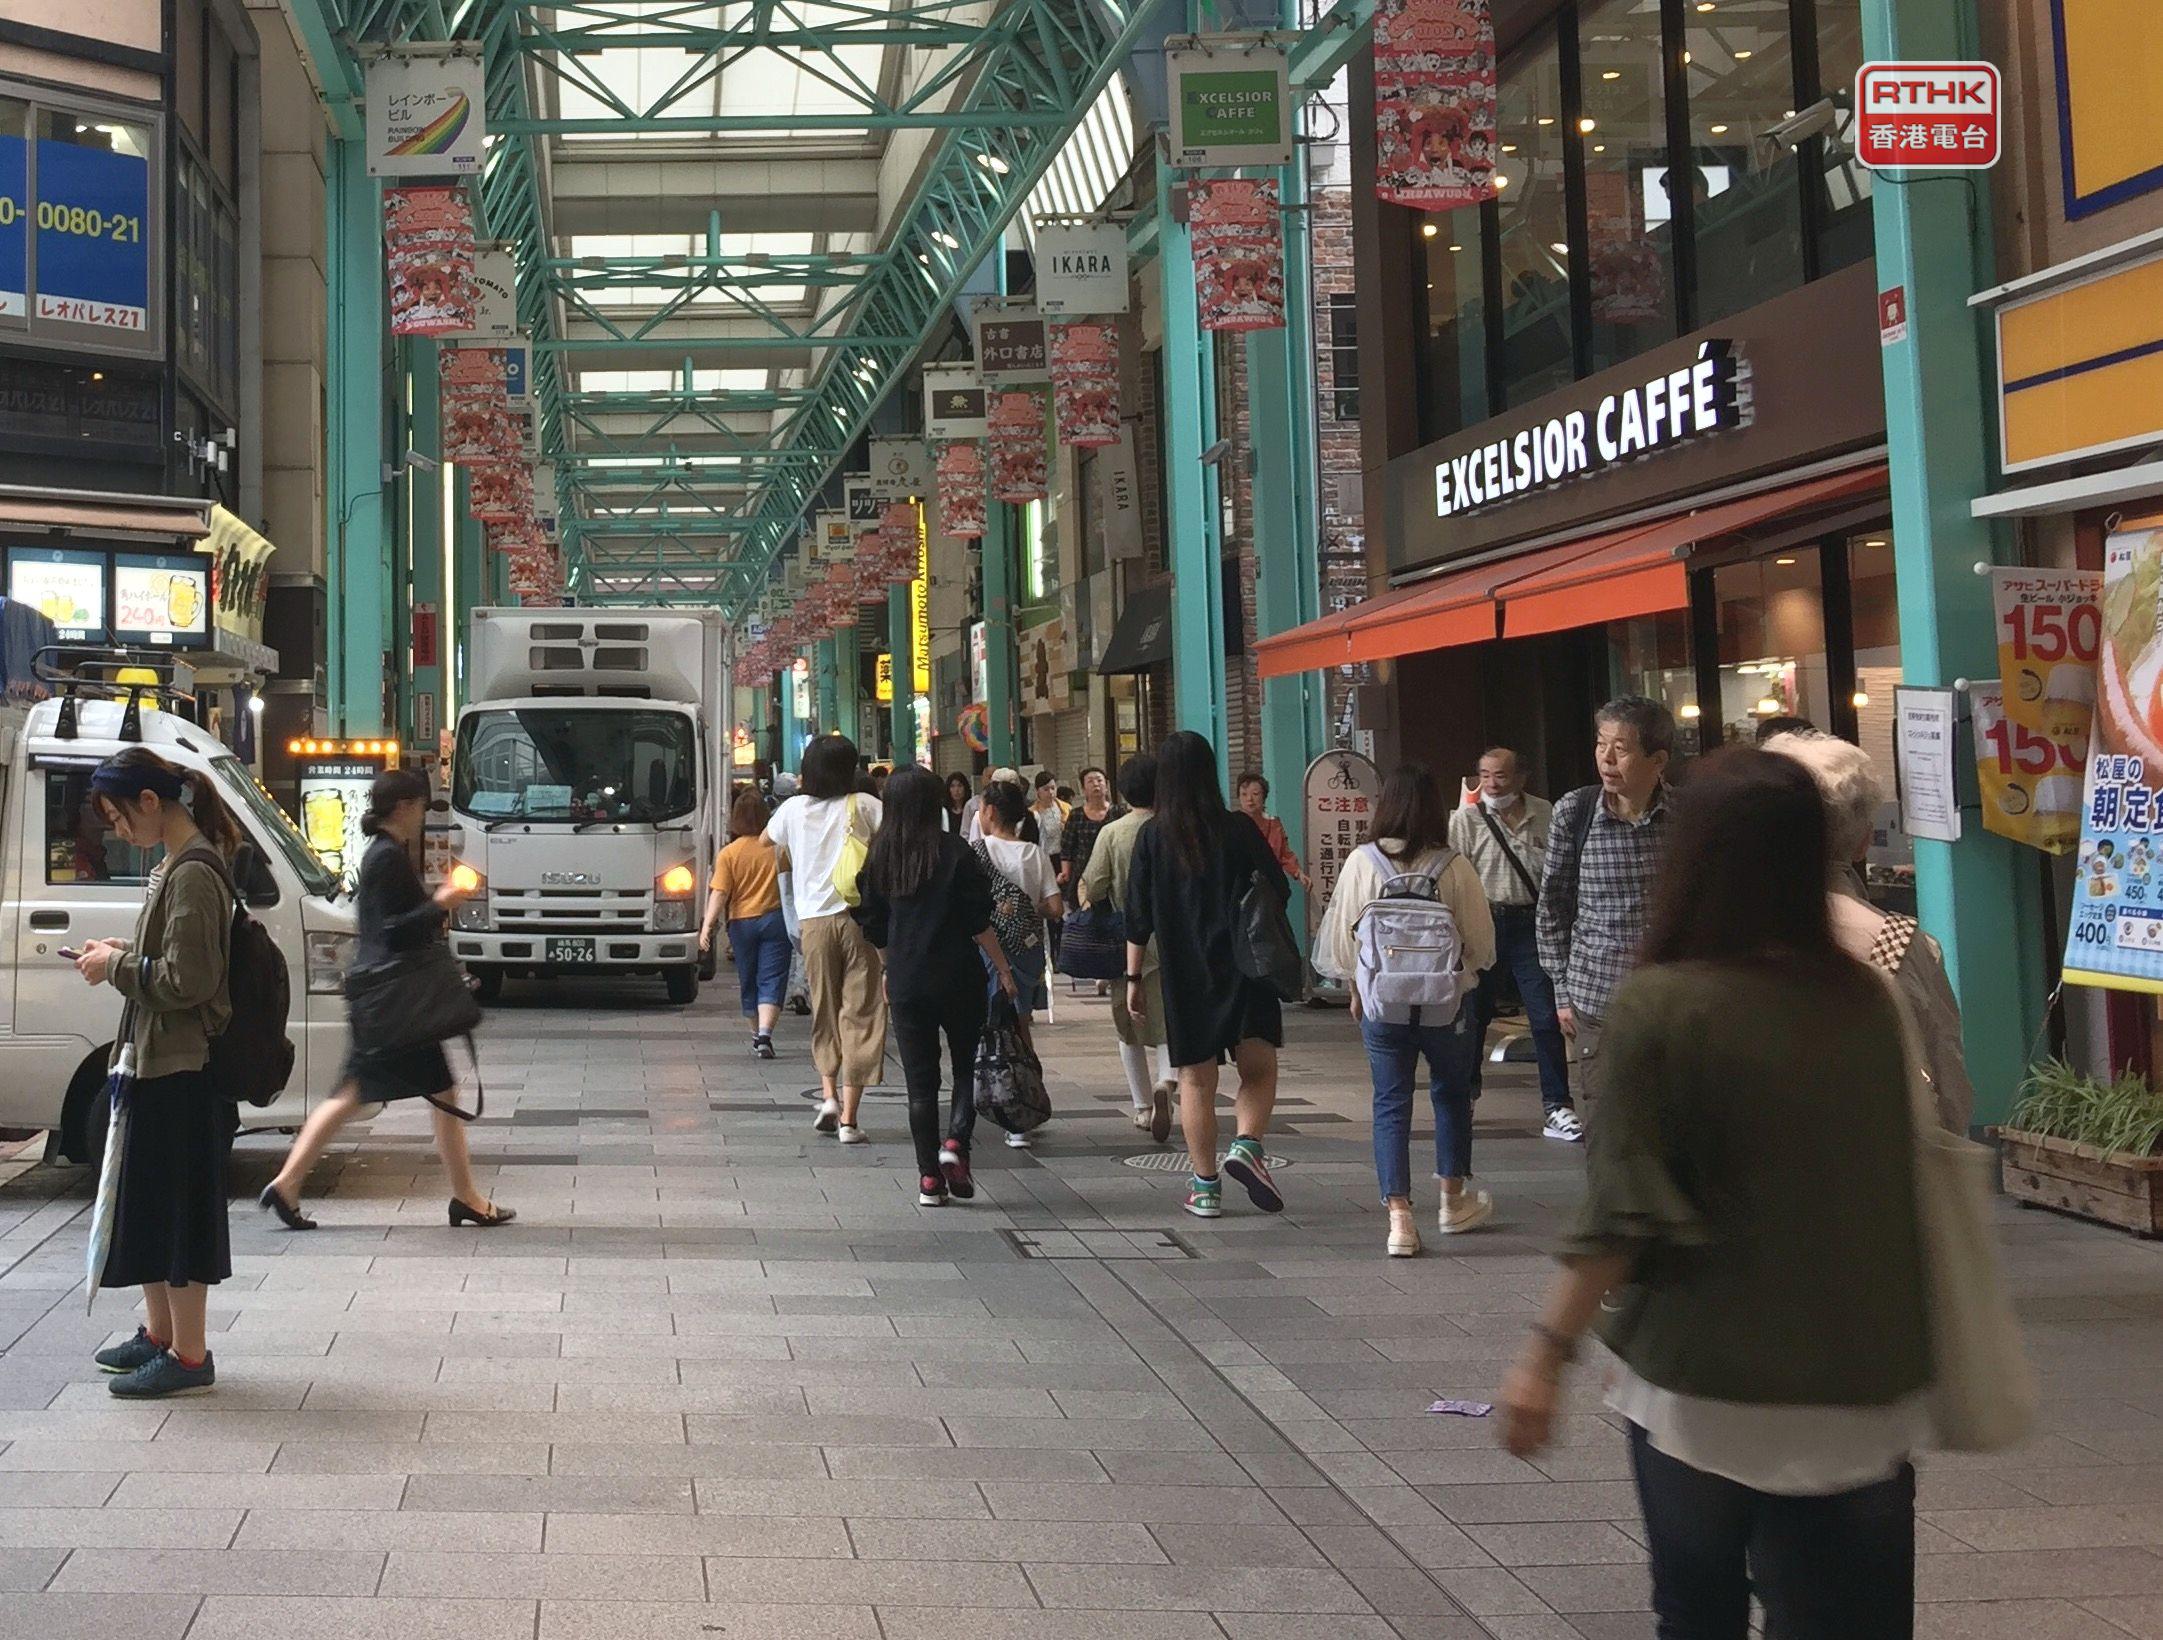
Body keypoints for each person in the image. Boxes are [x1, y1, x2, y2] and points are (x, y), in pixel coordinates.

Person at [1500, 747, 1928, 1640]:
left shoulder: (1663, 1004)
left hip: (1703, 1384)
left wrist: (1543, 1358)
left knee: (1697, 1614)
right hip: (1861, 1382)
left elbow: (1621, 1210)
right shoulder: (1864, 1001)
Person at [258, 768, 513, 1235]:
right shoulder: (387, 857)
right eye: (421, 807)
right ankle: (466, 1198)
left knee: (372, 1092)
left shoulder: (381, 853)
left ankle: (289, 1183)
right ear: (404, 807)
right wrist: (443, 902)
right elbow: (396, 931)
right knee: (388, 1093)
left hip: (383, 1002)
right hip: (395, 1005)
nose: (423, 817)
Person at [71, 750, 239, 1397]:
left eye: (119, 817)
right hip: (155, 1060)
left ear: (149, 801)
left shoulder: (193, 871)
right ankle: (161, 1334)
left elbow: (189, 981)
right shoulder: (175, 865)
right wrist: (122, 953)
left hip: (181, 1068)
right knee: (148, 1201)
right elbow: (169, 960)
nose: (118, 831)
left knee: (177, 1210)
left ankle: (189, 1356)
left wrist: (115, 967)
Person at [1318, 762, 1497, 1256]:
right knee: (1452, 1094)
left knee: (1390, 1102)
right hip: (1447, 1006)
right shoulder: (1454, 865)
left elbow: (1342, 941)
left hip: (1383, 1004)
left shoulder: (1362, 862)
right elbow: (1481, 946)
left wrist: (1357, 989)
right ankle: (1452, 1203)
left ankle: (1400, 1219)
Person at [1766, 730, 1975, 1131]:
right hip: (1877, 1155)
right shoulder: (1898, 943)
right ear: (1863, 840)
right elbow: (1950, 1092)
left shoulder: (1714, 932)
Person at [1123, 730, 1288, 1220]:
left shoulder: (1152, 836)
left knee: (1195, 1081)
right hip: (1246, 965)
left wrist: (1133, 980)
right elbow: (1278, 888)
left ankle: (1205, 1189)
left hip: (1185, 974)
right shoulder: (1238, 828)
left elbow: (1137, 917)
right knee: (1258, 1067)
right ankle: (1247, 1145)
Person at [856, 766, 1018, 1205]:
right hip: (958, 976)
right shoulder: (955, 852)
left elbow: (873, 924)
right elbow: (979, 922)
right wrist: (1003, 969)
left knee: (920, 1083)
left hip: (907, 980)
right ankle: (955, 1144)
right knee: (966, 1064)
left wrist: (888, 970)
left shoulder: (880, 857)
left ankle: (929, 1179)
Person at [1537, 696, 1675, 1110]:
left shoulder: (1686, 816)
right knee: (1605, 1121)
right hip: (1595, 998)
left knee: (1667, 1120)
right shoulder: (1575, 811)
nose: (1607, 759)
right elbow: (1553, 906)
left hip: (1668, 1002)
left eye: (1621, 748)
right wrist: (1562, 993)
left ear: (1658, 760)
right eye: (1601, 745)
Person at [1450, 747, 1578, 1141]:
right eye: (1484, 775)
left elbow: (1560, 869)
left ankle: (1557, 1106)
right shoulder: (1465, 819)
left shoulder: (1545, 812)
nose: (1491, 784)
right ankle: (1464, 1097)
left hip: (1531, 924)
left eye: (1500, 776)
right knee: (1473, 1016)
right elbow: (1455, 878)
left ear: (1521, 777)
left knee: (1545, 1016)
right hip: (1484, 923)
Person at [767, 735, 885, 1142]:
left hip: (813, 923)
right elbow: (890, 840)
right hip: (857, 919)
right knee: (861, 1012)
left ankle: (829, 1096)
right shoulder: (865, 805)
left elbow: (767, 840)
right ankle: (850, 1119)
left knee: (825, 1008)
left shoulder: (792, 809)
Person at [1079, 753, 1175, 1143]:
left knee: (1129, 1025)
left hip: (1127, 943)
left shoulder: (1113, 832)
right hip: (1174, 942)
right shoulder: (1174, 828)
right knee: (1170, 1021)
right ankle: (1167, 1081)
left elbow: (1095, 884)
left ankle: (1142, 1106)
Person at [975, 782, 1064, 1154]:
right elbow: (1055, 908)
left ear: (990, 812)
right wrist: (1026, 908)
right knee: (1021, 1027)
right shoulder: (1033, 853)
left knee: (991, 1026)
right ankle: (1026, 1099)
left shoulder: (977, 852)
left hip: (988, 952)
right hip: (1027, 953)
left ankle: (1006, 1105)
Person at [700, 786, 789, 1059]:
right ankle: (765, 1034)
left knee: (748, 978)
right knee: (772, 977)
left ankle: (755, 1034)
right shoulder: (779, 849)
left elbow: (720, 893)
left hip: (742, 923)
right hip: (776, 920)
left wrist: (707, 926)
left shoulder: (729, 853)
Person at [1235, 771, 1310, 888]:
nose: (1249, 799)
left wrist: (1298, 873)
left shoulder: (1273, 824)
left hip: (1269, 885)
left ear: (1264, 797)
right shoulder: (1232, 824)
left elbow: (1284, 854)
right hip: (1240, 885)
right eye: (1244, 794)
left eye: (1255, 794)